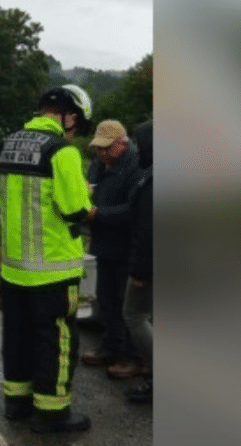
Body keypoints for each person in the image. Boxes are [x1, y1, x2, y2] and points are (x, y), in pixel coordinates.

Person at [0, 84, 95, 433]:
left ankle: (16, 404)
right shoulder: (61, 151)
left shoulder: (4, 146)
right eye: (77, 123)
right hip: (53, 271)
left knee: (16, 336)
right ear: (69, 116)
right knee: (56, 342)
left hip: (14, 268)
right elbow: (75, 208)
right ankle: (53, 414)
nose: (75, 129)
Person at [80, 120, 144, 379]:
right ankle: (110, 346)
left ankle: (133, 356)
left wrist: (98, 214)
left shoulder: (136, 167)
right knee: (104, 297)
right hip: (103, 242)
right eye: (98, 148)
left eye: (107, 148)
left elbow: (133, 210)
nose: (101, 153)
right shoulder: (98, 163)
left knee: (125, 304)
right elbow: (90, 188)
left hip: (127, 245)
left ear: (122, 143)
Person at [123, 119, 153, 403]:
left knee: (134, 315)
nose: (136, 148)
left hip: (150, 265)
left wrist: (140, 271)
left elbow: (147, 230)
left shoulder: (151, 179)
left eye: (139, 143)